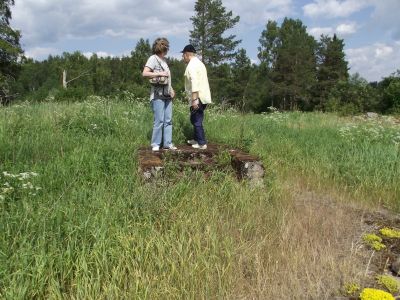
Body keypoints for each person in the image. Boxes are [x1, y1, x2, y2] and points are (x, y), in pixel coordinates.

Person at [142, 37, 176, 151]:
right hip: (157, 94)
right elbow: (145, 73)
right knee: (159, 120)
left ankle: (167, 143)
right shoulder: (153, 58)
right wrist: (160, 73)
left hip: (167, 94)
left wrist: (171, 89)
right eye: (166, 47)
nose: (166, 49)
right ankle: (155, 144)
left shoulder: (165, 61)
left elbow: (167, 78)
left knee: (168, 120)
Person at [181, 44, 212, 150]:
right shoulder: (199, 63)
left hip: (198, 97)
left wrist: (194, 99)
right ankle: (196, 139)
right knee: (194, 118)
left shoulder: (191, 66)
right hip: (203, 96)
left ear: (186, 54)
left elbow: (195, 83)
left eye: (183, 55)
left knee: (197, 120)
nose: (182, 58)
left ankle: (202, 143)